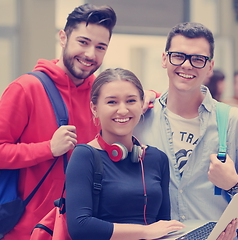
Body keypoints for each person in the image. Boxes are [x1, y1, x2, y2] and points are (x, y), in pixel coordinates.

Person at [0, 4, 118, 239]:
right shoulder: (26, 89)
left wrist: (150, 97)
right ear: (63, 38)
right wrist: (47, 149)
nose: (90, 55)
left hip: (81, 231)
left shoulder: (102, 94)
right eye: (83, 42)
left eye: (100, 47)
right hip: (26, 232)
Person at [134, 22, 238, 240]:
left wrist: (235, 184)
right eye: (178, 56)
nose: (187, 65)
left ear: (210, 66)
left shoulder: (232, 120)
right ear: (164, 59)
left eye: (198, 59)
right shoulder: (141, 118)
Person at [65, 68, 186, 240]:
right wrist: (144, 232)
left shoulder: (157, 159)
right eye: (112, 102)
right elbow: (80, 227)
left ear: (142, 104)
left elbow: (163, 225)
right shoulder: (85, 156)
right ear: (94, 108)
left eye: (130, 101)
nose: (122, 110)